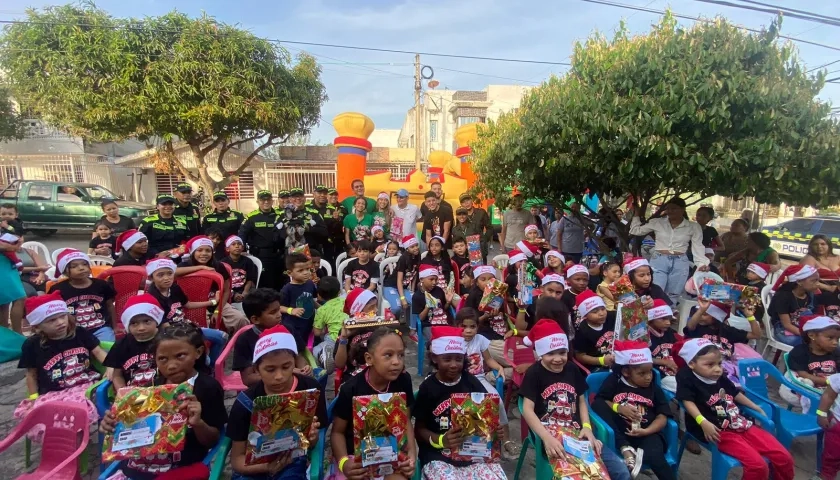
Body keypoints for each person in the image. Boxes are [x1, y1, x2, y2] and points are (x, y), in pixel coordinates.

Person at [99, 322, 227, 480]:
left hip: (180, 469)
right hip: (137, 468)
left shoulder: (207, 388)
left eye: (180, 356)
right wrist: (111, 424)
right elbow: (127, 424)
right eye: (162, 359)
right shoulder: (151, 387)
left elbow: (213, 440)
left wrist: (198, 422)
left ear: (198, 352)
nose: (171, 365)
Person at [519, 319, 632, 480]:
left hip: (578, 434)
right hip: (551, 435)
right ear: (540, 353)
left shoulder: (571, 369)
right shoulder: (534, 373)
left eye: (562, 352)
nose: (558, 359)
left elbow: (581, 401)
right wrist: (546, 438)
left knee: (621, 473)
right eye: (550, 353)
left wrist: (587, 428)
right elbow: (527, 409)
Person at [674, 338, 793, 480]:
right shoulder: (686, 377)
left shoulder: (719, 376)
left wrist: (755, 407)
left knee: (783, 456)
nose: (717, 369)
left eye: (719, 363)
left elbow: (735, 393)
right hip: (715, 430)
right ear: (692, 364)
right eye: (710, 364)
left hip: (738, 423)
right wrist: (703, 422)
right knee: (758, 466)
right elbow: (687, 401)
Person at [227, 325, 325, 480]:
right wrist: (267, 467)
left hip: (293, 461)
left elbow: (313, 443)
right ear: (257, 370)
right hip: (253, 468)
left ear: (294, 362)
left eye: (286, 367)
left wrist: (312, 438)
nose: (279, 376)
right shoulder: (245, 403)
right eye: (270, 369)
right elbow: (237, 460)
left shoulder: (311, 390)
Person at [413, 326, 509, 478]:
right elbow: (419, 429)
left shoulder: (471, 382)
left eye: (458, 358)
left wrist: (494, 431)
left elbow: (486, 417)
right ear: (434, 358)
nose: (453, 364)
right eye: (447, 359)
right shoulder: (428, 388)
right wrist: (441, 440)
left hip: (475, 452)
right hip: (439, 456)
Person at [330, 327, 416, 479]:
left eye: (400, 355)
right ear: (369, 359)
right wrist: (344, 463)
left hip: (393, 454)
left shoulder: (403, 381)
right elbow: (337, 432)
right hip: (357, 459)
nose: (397, 362)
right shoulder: (351, 389)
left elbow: (406, 421)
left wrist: (411, 455)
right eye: (388, 355)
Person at [16, 293, 105, 434]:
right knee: (42, 417)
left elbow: (99, 352)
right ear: (38, 326)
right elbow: (31, 375)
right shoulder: (32, 344)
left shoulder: (80, 333)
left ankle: (73, 446)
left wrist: (112, 368)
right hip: (53, 392)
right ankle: (60, 447)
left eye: (62, 316)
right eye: (51, 320)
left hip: (86, 386)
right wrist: (33, 398)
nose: (60, 322)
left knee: (73, 414)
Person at [593, 340, 675, 479]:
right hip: (622, 431)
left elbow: (663, 416)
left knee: (655, 457)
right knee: (598, 405)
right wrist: (618, 408)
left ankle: (637, 458)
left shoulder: (653, 388)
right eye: (642, 373)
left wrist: (646, 431)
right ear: (626, 372)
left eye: (649, 371)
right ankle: (626, 449)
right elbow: (600, 401)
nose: (648, 377)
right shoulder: (616, 381)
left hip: (648, 433)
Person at [145, 257, 225, 367]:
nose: (166, 278)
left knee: (221, 337)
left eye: (170, 273)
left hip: (185, 327)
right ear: (151, 277)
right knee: (202, 357)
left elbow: (188, 304)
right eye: (160, 275)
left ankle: (213, 368)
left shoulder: (174, 288)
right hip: (170, 335)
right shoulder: (151, 297)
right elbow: (166, 327)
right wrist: (191, 335)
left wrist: (212, 302)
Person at [629, 198, 708, 305]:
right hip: (659, 260)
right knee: (656, 291)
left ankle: (669, 316)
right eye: (668, 209)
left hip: (680, 262)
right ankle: (655, 317)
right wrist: (636, 214)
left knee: (674, 293)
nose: (670, 211)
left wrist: (702, 264)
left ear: (682, 209)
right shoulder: (658, 222)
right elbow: (635, 230)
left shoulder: (693, 226)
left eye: (674, 208)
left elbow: (698, 246)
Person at [177, 235, 248, 332]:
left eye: (208, 250)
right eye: (200, 250)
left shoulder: (219, 266)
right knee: (203, 326)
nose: (204, 253)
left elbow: (226, 291)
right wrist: (201, 268)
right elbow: (173, 272)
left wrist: (218, 311)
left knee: (241, 319)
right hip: (194, 305)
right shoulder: (185, 265)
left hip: (218, 304)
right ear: (193, 252)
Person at [683, 298, 760, 386]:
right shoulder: (698, 329)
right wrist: (701, 310)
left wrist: (750, 317)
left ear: (716, 317)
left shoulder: (727, 331)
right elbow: (690, 326)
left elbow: (756, 335)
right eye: (699, 314)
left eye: (704, 314)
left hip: (727, 369)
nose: (700, 317)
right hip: (704, 368)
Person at [52, 249, 117, 342]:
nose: (81, 268)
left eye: (85, 264)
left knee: (108, 351)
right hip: (72, 331)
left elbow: (110, 306)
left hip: (101, 329)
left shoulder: (101, 285)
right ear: (65, 271)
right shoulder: (58, 290)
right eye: (74, 266)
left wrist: (115, 327)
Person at [104, 294, 163, 389]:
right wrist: (123, 393)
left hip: (163, 391)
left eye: (147, 321)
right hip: (133, 395)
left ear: (156, 320)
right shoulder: (121, 345)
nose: (141, 328)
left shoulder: (167, 340)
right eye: (134, 323)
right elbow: (117, 376)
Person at [233, 288, 282, 388]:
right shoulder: (244, 340)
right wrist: (287, 374)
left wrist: (305, 369)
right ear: (255, 319)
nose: (279, 315)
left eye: (279, 310)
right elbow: (248, 379)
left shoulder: (288, 329)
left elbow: (300, 357)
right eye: (273, 312)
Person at [278, 252, 318, 373]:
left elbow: (312, 300)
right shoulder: (287, 289)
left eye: (308, 269)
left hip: (308, 324)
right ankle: (297, 370)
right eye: (301, 270)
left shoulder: (310, 284)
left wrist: (322, 308)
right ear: (290, 273)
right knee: (296, 350)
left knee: (306, 346)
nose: (306, 273)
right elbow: (279, 307)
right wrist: (291, 310)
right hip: (293, 326)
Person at [239, 190, 285, 289]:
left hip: (279, 255)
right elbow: (242, 234)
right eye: (262, 200)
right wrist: (241, 250)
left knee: (280, 282)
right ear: (257, 201)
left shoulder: (281, 215)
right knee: (264, 284)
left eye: (268, 199)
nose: (266, 202)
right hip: (261, 255)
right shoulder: (251, 217)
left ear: (272, 201)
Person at [333, 288, 379, 386]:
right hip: (354, 377)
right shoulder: (346, 329)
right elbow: (339, 364)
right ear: (357, 311)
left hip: (379, 373)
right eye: (371, 307)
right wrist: (344, 338)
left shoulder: (379, 326)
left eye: (376, 306)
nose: (376, 310)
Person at [769, 264, 822, 346]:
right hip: (783, 330)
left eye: (818, 280)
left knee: (826, 343)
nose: (818, 284)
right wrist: (808, 337)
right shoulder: (782, 296)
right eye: (813, 281)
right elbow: (787, 325)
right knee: (814, 345)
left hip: (803, 328)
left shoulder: (810, 295)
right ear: (799, 281)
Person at [787, 315, 840, 390]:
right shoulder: (800, 352)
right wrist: (828, 381)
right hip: (809, 390)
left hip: (832, 390)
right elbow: (802, 374)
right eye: (830, 338)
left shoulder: (836, 352)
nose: (835, 343)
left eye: (837, 339)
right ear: (812, 335)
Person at [573, 290, 616, 371]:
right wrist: (601, 361)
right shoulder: (582, 331)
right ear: (585, 315)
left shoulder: (611, 317)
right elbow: (580, 356)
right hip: (598, 366)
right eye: (595, 312)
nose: (601, 314)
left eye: (603, 309)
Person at [413, 265, 455, 344]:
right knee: (436, 341)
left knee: (451, 340)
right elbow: (420, 318)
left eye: (436, 279)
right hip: (427, 325)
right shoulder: (417, 296)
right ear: (422, 279)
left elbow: (444, 308)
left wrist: (448, 302)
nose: (434, 282)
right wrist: (428, 307)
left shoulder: (438, 290)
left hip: (443, 322)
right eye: (431, 279)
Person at [312, 276, 346, 372]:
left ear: (319, 295)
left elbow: (317, 333)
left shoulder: (322, 310)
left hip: (335, 340)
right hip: (349, 334)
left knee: (316, 349)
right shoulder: (346, 299)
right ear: (339, 291)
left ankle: (324, 354)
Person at [647, 299, 681, 393]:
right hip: (661, 374)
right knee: (685, 387)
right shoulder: (644, 335)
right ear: (651, 319)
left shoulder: (670, 333)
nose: (668, 323)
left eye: (669, 318)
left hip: (677, 372)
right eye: (663, 319)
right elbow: (642, 358)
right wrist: (665, 362)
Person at [814, 370, 840, 479]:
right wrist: (821, 413)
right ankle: (825, 475)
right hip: (838, 425)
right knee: (831, 455)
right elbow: (828, 396)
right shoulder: (838, 378)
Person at [220, 235, 258, 304]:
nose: (237, 246)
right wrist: (234, 294)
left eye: (239, 244)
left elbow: (250, 279)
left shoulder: (248, 261)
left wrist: (245, 292)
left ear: (243, 248)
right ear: (227, 249)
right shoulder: (223, 263)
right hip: (229, 290)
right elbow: (224, 283)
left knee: (255, 295)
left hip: (244, 288)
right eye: (233, 244)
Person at [307, 185, 339, 264]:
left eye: (324, 193)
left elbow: (335, 229)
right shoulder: (306, 208)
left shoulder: (332, 209)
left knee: (328, 266)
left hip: (327, 245)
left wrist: (337, 220)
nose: (322, 195)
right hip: (311, 245)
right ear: (313, 194)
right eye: (319, 193)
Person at [396, 235, 421, 331]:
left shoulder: (417, 255)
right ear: (407, 248)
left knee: (415, 300)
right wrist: (402, 298)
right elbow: (399, 280)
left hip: (406, 286)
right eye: (412, 246)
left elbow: (414, 274)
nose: (415, 248)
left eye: (416, 245)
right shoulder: (403, 259)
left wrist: (412, 289)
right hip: (393, 285)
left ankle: (413, 329)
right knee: (396, 307)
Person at [459, 193, 491, 264]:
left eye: (468, 200)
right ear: (461, 204)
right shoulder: (460, 215)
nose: (466, 203)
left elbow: (490, 228)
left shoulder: (481, 212)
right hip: (466, 249)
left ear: (471, 200)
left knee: (481, 272)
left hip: (480, 247)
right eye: (463, 202)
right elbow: (459, 230)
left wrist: (484, 239)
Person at [562, 264, 591, 329]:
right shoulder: (564, 296)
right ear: (568, 280)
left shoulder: (590, 295)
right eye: (577, 279)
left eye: (585, 280)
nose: (582, 283)